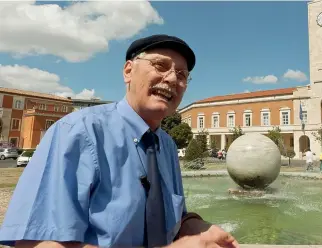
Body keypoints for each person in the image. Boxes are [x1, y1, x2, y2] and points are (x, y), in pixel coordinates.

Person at [0, 34, 239, 248]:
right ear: (128, 71)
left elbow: (166, 218)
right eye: (160, 65)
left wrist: (192, 224)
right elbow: (38, 242)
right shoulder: (77, 133)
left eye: (182, 75)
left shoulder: (166, 145)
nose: (172, 79)